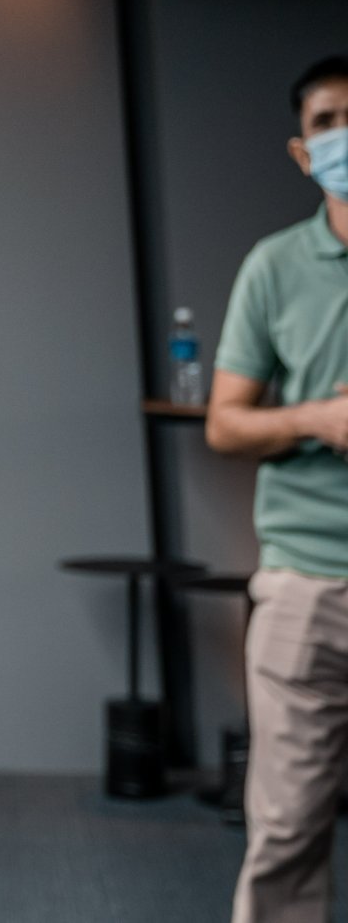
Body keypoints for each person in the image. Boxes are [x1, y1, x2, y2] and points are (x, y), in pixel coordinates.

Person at [214, 54, 348, 923]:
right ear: (303, 151)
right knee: (289, 829)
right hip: (309, 584)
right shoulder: (274, 266)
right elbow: (226, 423)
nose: (345, 135)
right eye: (328, 121)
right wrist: (319, 418)